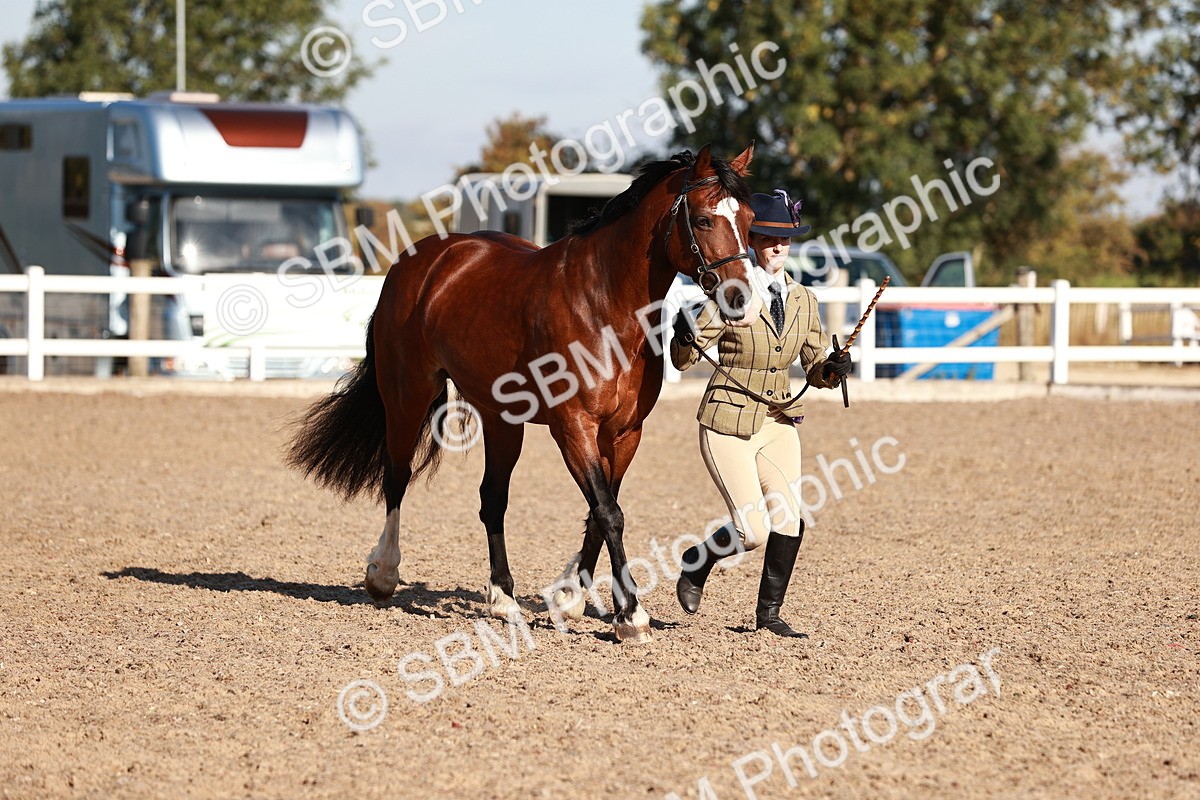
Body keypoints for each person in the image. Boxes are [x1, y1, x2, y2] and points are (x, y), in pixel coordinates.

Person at [669, 188, 852, 638]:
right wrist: (685, 333)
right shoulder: (732, 292)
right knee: (751, 531)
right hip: (728, 421)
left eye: (785, 241)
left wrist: (832, 369)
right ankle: (698, 562)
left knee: (789, 520)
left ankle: (768, 616)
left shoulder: (805, 301)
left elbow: (813, 364)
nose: (777, 248)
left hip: (779, 421)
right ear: (752, 241)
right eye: (769, 238)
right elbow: (682, 359)